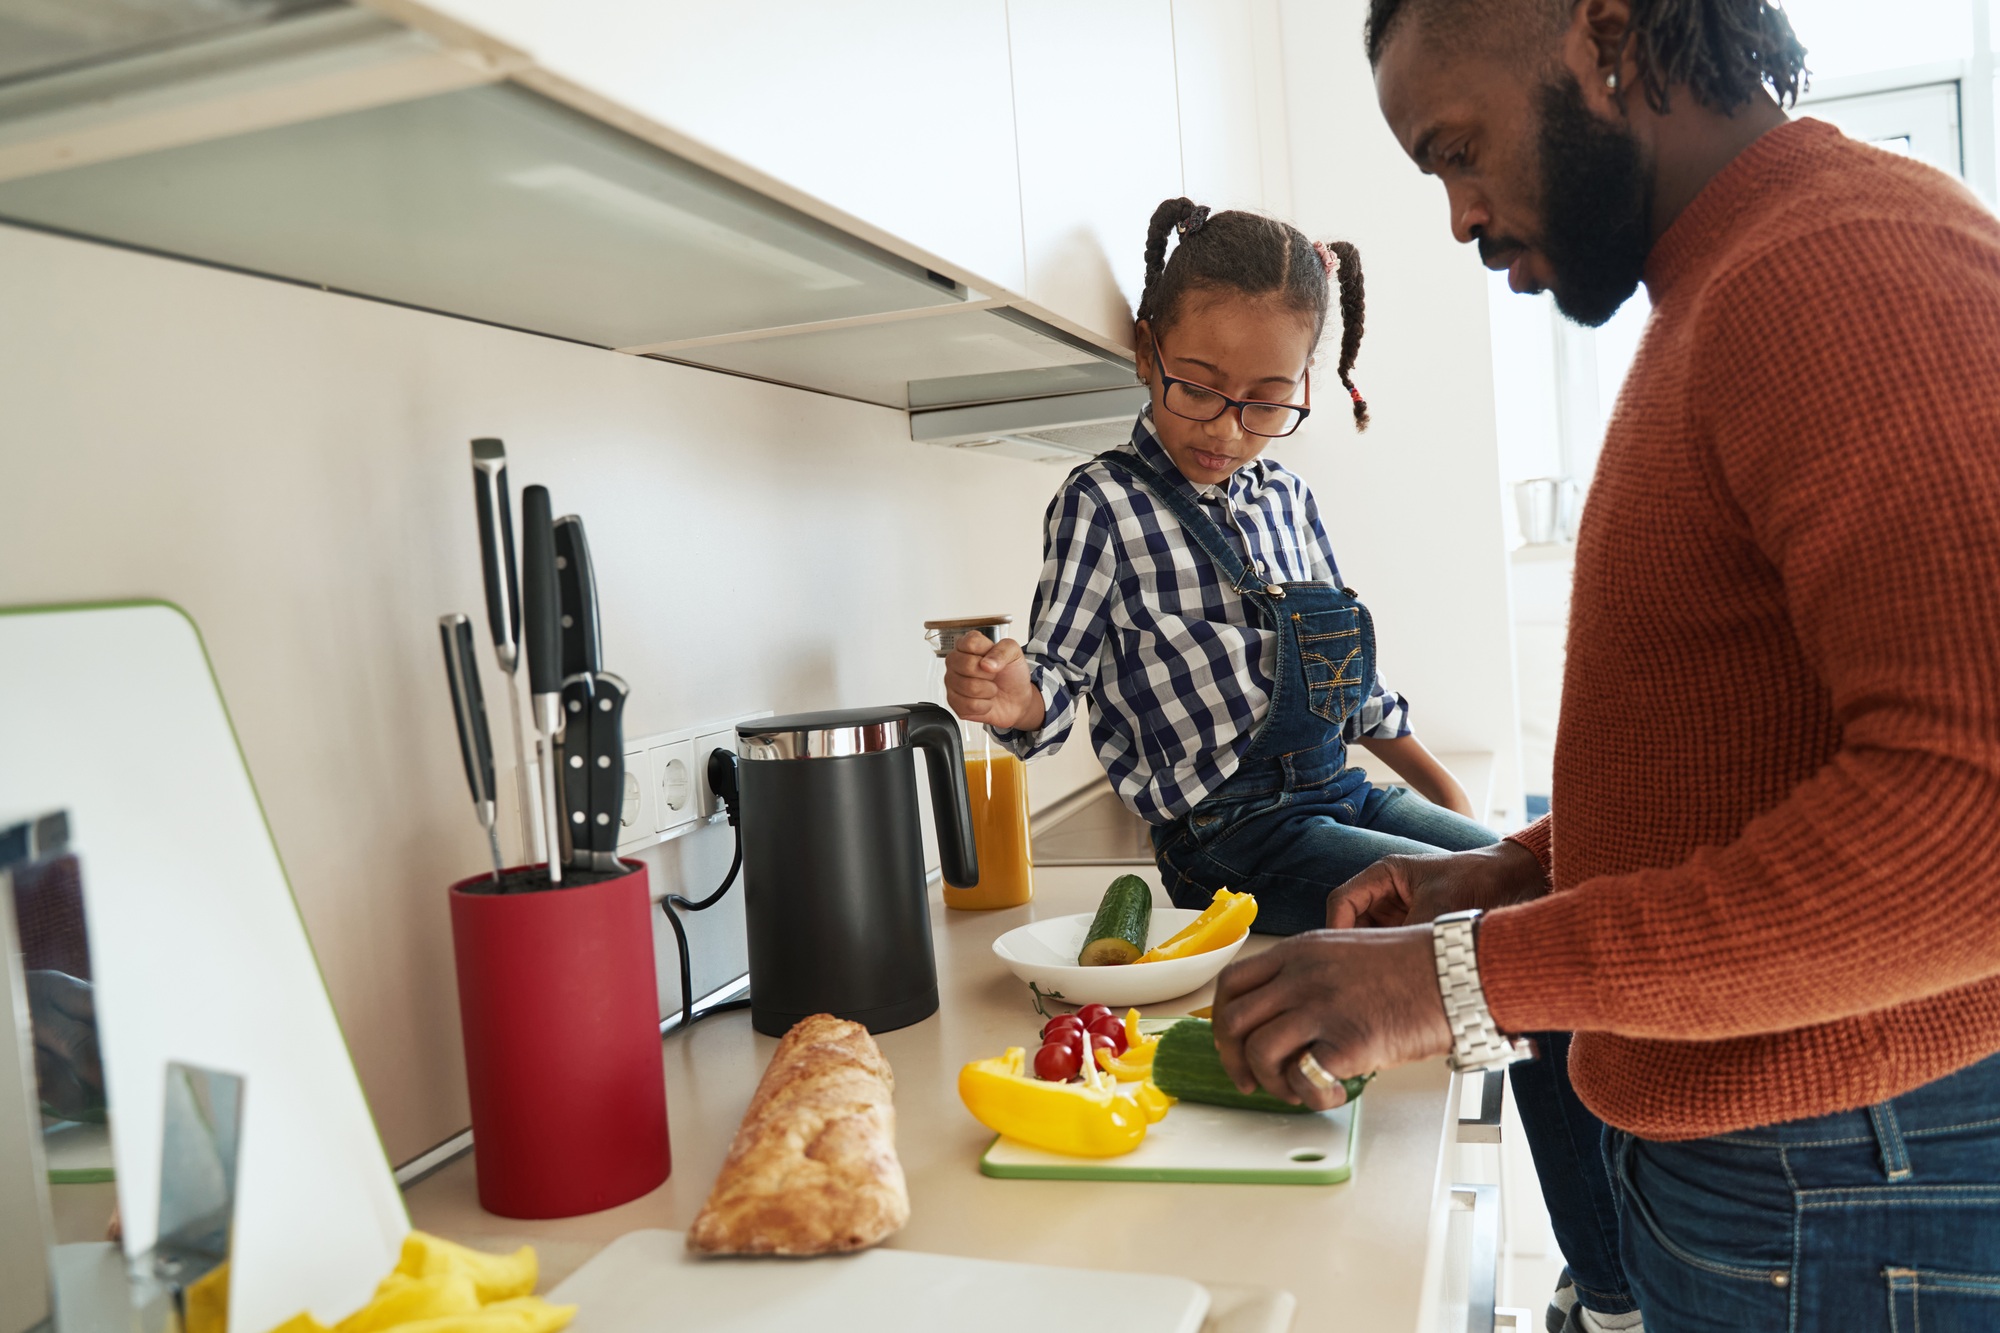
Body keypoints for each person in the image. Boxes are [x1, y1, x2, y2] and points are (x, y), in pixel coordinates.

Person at [1206, 1, 2000, 1330]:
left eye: (1460, 150)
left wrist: (1455, 978)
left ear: (1606, 35)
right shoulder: (1732, 283)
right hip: (1797, 1164)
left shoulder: (1845, 265)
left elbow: (1970, 814)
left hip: (1853, 1174)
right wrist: (1519, 871)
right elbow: (1756, 751)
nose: (1458, 217)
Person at [942, 198, 1497, 939]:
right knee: (1473, 912)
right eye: (1199, 387)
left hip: (1343, 794)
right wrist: (1016, 700)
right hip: (1231, 840)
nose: (1228, 429)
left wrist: (1452, 796)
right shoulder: (1103, 502)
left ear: (1301, 389)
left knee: (1526, 871)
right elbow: (1054, 678)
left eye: (1266, 404)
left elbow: (1353, 688)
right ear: (1149, 353)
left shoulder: (1291, 499)